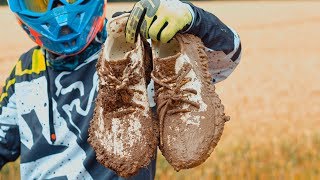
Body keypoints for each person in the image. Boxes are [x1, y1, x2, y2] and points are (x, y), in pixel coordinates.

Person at [0, 0, 241, 179]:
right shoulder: (25, 70)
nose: (60, 9)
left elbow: (227, 56)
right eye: (40, 2)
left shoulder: (140, 49)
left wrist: (192, 17)